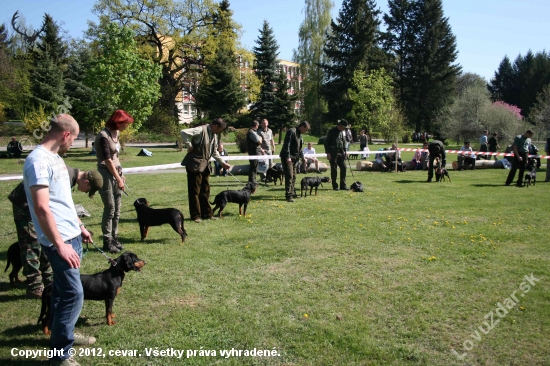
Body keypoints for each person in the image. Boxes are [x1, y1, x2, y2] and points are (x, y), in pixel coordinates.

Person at [23, 114, 96, 366]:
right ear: (66, 135)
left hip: (71, 235)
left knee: (62, 293)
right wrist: (60, 244)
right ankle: (60, 355)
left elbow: (63, 201)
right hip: (59, 241)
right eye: (74, 139)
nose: (72, 144)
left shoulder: (56, 159)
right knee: (73, 294)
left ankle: (64, 335)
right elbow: (42, 208)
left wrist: (80, 225)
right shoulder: (38, 162)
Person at [9, 167, 103, 299]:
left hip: (39, 206)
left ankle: (49, 280)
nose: (86, 192)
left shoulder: (69, 177)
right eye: (88, 190)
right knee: (31, 246)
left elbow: (67, 207)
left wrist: (81, 227)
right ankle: (34, 286)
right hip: (25, 205)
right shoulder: (66, 176)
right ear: (86, 182)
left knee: (46, 242)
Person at [95, 110, 132, 254]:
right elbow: (108, 160)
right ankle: (107, 241)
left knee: (117, 209)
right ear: (118, 121)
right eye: (125, 123)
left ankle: (115, 237)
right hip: (106, 173)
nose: (126, 126)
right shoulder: (103, 136)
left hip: (117, 172)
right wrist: (117, 178)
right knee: (110, 208)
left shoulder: (117, 134)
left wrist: (121, 174)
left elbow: (116, 157)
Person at [181, 118, 231, 223]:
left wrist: (222, 163)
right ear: (215, 126)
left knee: (205, 190)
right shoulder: (200, 130)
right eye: (219, 130)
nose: (219, 132)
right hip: (194, 165)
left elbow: (214, 152)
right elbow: (183, 132)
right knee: (195, 191)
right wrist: (189, 145)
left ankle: (207, 214)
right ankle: (196, 216)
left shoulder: (214, 135)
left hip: (205, 166)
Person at [280, 121, 310, 202]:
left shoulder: (299, 135)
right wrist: (287, 157)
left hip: (295, 158)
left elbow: (299, 149)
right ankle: (288, 195)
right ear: (302, 127)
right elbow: (287, 145)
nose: (305, 131)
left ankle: (292, 192)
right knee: (289, 176)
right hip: (288, 158)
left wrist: (303, 158)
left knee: (294, 176)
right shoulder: (291, 131)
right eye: (305, 130)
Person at [325, 119, 349, 190]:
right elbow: (326, 143)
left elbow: (344, 142)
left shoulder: (342, 132)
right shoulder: (331, 131)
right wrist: (328, 153)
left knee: (344, 167)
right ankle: (335, 186)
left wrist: (345, 150)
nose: (344, 129)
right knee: (334, 169)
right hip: (333, 153)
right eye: (343, 127)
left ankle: (343, 185)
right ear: (340, 126)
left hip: (341, 153)